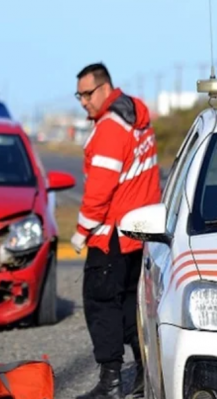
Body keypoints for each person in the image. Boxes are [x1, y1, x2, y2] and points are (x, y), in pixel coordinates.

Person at [71, 63, 162, 399]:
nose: (83, 101)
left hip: (111, 232)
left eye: (87, 93)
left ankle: (111, 381)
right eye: (79, 95)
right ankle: (143, 375)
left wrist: (81, 231)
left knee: (99, 301)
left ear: (105, 88)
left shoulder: (110, 127)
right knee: (130, 304)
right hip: (139, 232)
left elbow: (100, 189)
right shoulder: (138, 118)